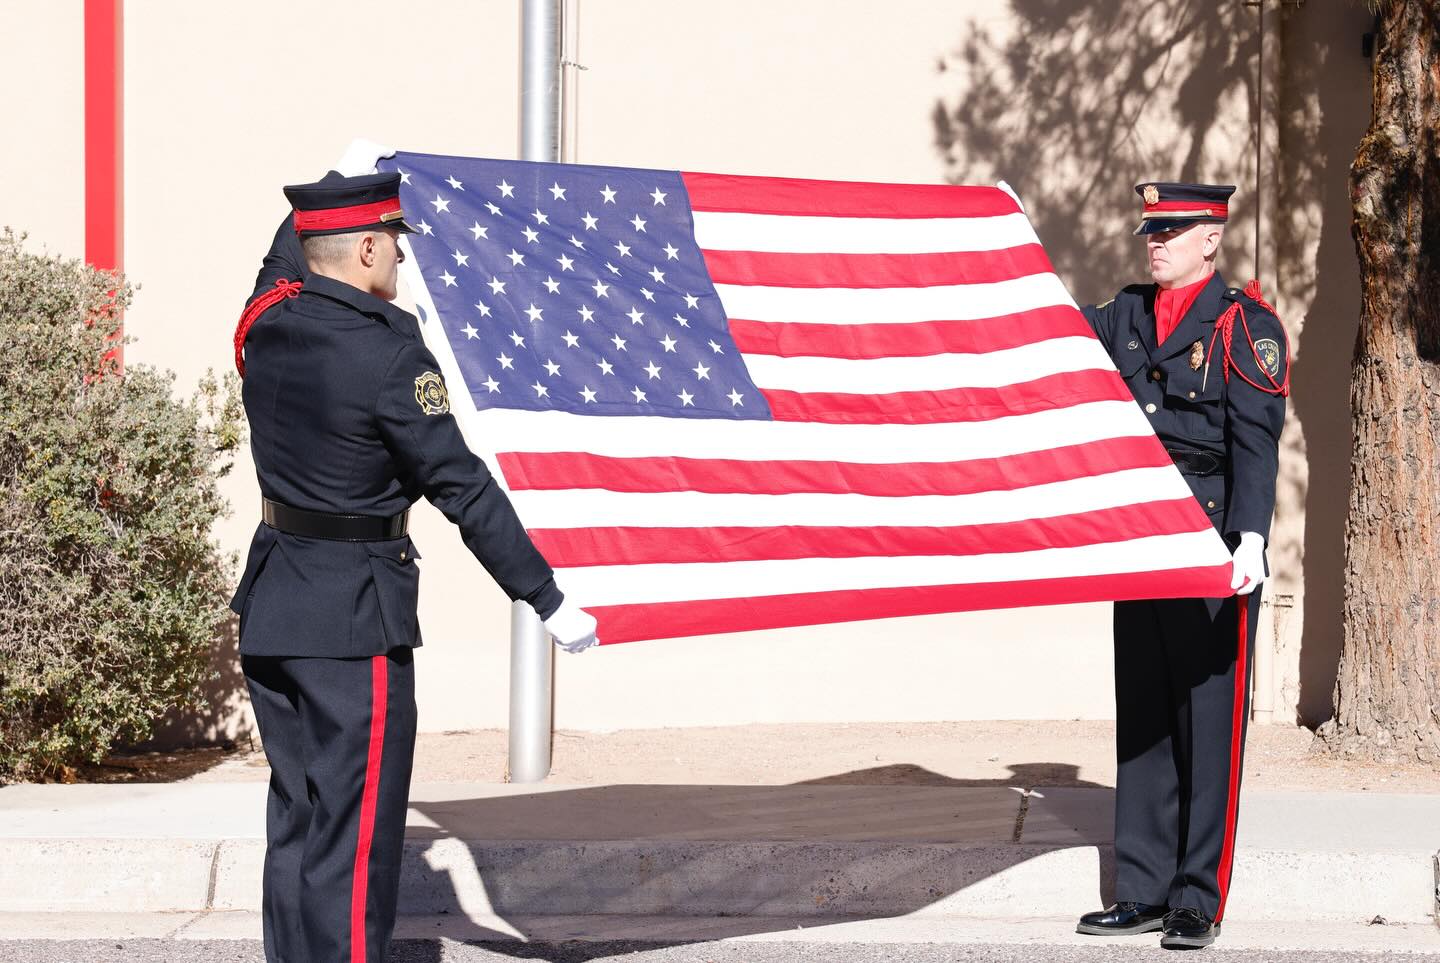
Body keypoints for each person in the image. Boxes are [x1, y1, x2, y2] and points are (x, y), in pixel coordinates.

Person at [230, 147, 600, 963]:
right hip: (353, 621)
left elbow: (284, 254)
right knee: (356, 841)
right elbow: (460, 487)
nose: (402, 251)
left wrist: (326, 186)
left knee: (296, 822)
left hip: (273, 610)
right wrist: (543, 596)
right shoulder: (389, 355)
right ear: (365, 249)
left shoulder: (267, 321)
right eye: (394, 238)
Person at [1073, 182, 1289, 950]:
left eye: (1171, 229)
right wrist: (1015, 241)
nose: (1154, 241)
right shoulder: (1125, 313)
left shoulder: (1244, 325)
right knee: (1146, 714)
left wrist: (1251, 537)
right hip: (1141, 536)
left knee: (1208, 719)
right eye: (1150, 230)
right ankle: (1142, 888)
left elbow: (1255, 440)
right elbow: (1052, 328)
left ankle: (1198, 894)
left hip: (1209, 539)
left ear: (1211, 238)